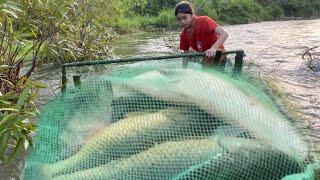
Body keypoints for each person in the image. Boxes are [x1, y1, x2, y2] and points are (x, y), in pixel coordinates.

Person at [174, 1, 228, 66]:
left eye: (185, 18)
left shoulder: (204, 21)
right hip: (206, 57)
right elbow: (185, 55)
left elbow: (224, 34)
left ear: (192, 15)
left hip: (219, 54)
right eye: (179, 19)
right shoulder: (183, 35)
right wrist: (184, 70)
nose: (182, 21)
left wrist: (213, 48)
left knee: (207, 60)